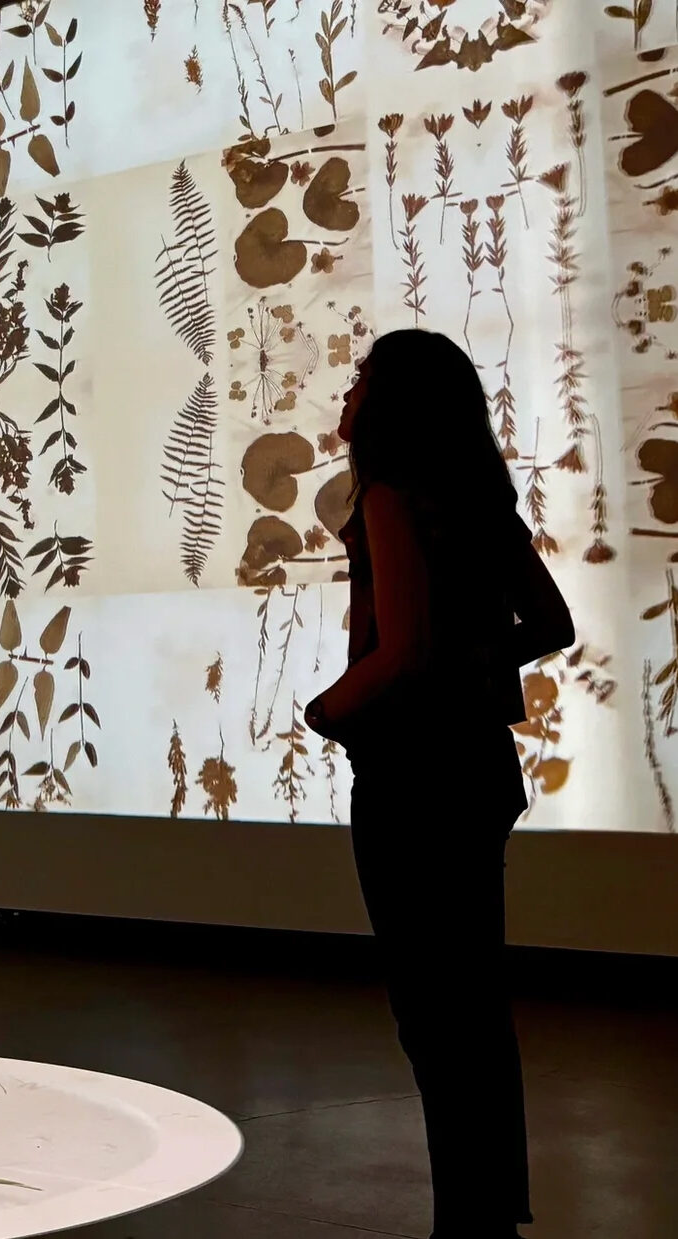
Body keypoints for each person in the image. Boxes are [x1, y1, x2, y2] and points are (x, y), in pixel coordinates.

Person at [306, 328, 572, 1239]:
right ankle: (488, 1212)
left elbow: (405, 648)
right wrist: (475, 664)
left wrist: (329, 708)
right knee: (474, 1006)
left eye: (362, 380)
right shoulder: (475, 494)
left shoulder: (386, 492)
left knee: (433, 1011)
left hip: (412, 772)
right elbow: (550, 619)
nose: (347, 395)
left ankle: (468, 1221)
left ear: (393, 403)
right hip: (475, 769)